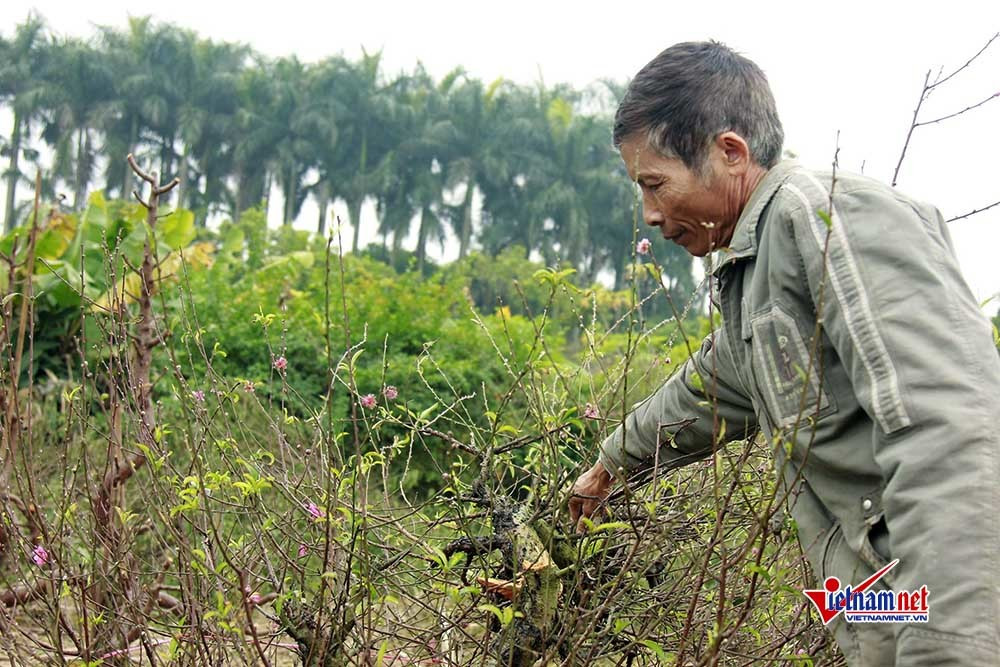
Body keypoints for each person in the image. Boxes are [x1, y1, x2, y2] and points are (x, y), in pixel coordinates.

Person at [568, 41, 1000, 666]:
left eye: (656, 185)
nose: (651, 215)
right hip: (887, 608)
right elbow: (710, 387)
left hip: (949, 614)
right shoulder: (756, 268)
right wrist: (612, 464)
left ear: (730, 153)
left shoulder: (829, 217)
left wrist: (949, 650)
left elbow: (955, 431)